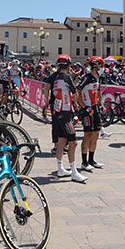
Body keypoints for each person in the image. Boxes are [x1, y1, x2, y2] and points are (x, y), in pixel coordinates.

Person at [44, 54, 87, 183]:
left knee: (61, 141)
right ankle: (74, 172)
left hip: (57, 113)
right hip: (65, 113)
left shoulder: (55, 77)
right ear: (68, 65)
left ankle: (60, 168)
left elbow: (48, 90)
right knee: (73, 142)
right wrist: (76, 104)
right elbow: (75, 94)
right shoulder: (67, 78)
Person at [76, 56, 105, 172]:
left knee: (96, 135)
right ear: (94, 65)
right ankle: (84, 162)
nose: (102, 68)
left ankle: (92, 160)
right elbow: (77, 92)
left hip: (95, 108)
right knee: (87, 135)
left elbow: (98, 92)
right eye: (100, 65)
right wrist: (84, 107)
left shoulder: (97, 78)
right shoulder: (86, 77)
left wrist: (101, 103)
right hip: (87, 109)